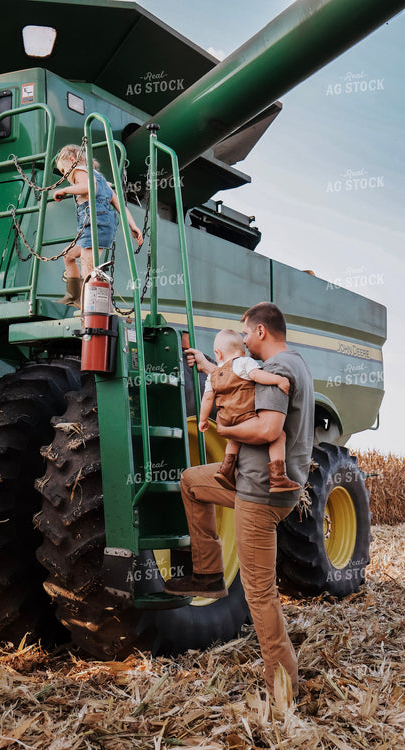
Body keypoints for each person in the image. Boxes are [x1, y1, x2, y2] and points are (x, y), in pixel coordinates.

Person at [165, 302, 314, 700]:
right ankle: (209, 572)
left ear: (261, 331)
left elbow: (268, 428)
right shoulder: (296, 363)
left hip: (261, 493)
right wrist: (207, 367)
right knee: (193, 482)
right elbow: (235, 377)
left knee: (259, 593)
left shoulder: (278, 371)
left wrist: (225, 424)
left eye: (246, 333)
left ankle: (282, 687)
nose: (243, 340)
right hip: (255, 483)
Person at [200, 328, 301, 493]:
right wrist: (277, 379)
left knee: (234, 438)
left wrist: (203, 420)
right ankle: (278, 478)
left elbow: (208, 399)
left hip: (226, 417)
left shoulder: (212, 376)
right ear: (243, 352)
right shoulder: (244, 362)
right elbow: (257, 376)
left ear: (217, 354)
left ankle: (225, 470)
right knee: (279, 436)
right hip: (245, 415)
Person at [53, 144, 143, 306]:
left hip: (95, 224)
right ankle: (74, 296)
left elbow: (89, 188)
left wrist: (65, 190)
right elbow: (119, 204)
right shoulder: (100, 178)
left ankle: (89, 308)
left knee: (88, 269)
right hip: (100, 225)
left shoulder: (79, 172)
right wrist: (133, 226)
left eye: (62, 170)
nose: (64, 175)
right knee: (69, 256)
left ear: (72, 160)